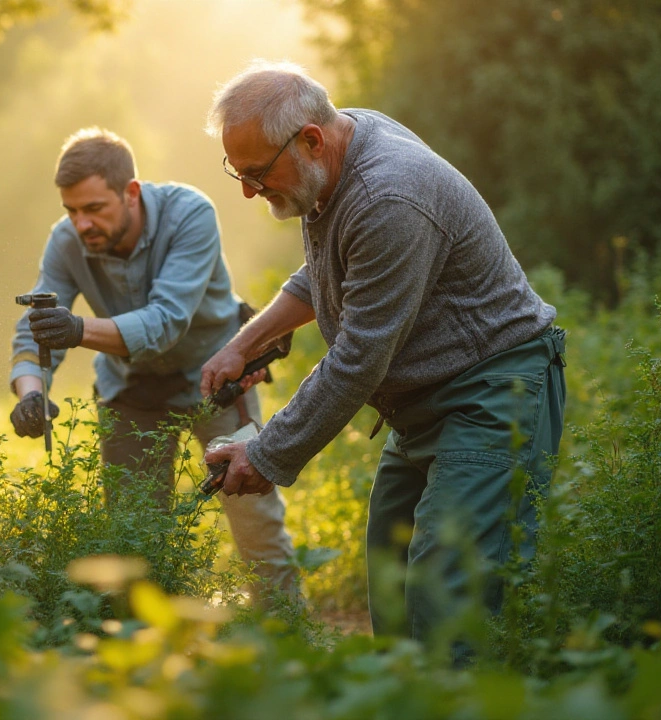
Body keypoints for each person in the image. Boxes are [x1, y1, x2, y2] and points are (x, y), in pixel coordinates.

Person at [200, 61, 566, 652]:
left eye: (257, 173)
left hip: (493, 392)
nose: (248, 190)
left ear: (311, 139)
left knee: (447, 588)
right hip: (421, 402)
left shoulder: (389, 192)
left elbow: (359, 357)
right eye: (235, 172)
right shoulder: (347, 140)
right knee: (392, 577)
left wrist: (266, 453)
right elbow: (326, 270)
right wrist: (244, 343)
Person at [8, 127, 298, 600]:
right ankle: (143, 647)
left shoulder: (191, 215)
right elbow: (36, 329)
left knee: (255, 518)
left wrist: (78, 329)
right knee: (133, 534)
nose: (81, 224)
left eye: (95, 209)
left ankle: (288, 630)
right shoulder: (65, 241)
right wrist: (31, 393)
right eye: (72, 211)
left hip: (218, 383)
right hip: (131, 391)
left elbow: (166, 322)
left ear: (132, 193)